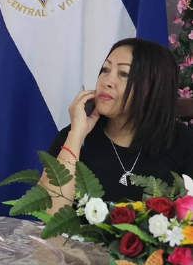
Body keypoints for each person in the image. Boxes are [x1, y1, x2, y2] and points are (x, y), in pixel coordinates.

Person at [44, 38, 193, 209]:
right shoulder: (75, 135)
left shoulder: (184, 142)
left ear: (153, 87)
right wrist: (76, 135)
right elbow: (49, 215)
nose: (106, 81)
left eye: (123, 74)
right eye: (105, 70)